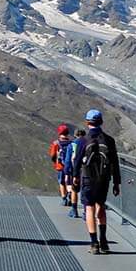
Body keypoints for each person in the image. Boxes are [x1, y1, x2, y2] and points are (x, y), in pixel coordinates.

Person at [73, 109, 121, 254]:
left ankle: (94, 243)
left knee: (89, 208)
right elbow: (115, 162)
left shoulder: (83, 140)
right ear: (101, 122)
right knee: (101, 205)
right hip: (104, 179)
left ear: (88, 122)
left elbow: (77, 162)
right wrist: (116, 182)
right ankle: (104, 241)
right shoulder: (109, 140)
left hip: (88, 178)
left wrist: (75, 177)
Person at [50, 124, 72, 205]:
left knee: (62, 182)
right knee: (69, 182)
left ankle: (64, 198)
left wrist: (56, 162)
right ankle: (69, 194)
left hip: (60, 166)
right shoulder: (71, 143)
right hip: (69, 166)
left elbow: (52, 155)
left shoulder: (56, 143)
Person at [66, 128, 86, 218]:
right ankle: (86, 212)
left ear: (75, 135)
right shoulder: (88, 143)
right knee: (85, 191)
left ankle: (74, 210)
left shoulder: (72, 145)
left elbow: (67, 160)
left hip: (75, 171)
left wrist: (67, 172)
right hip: (86, 171)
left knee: (74, 190)